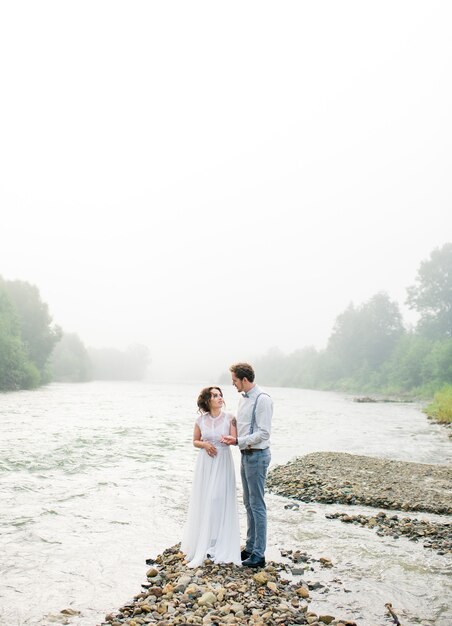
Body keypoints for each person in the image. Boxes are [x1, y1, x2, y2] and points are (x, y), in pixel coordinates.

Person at [181, 386, 241, 568]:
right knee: (205, 498)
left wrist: (227, 441)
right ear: (207, 400)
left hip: (222, 460)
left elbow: (234, 439)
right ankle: (206, 540)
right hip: (206, 463)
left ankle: (220, 541)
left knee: (218, 498)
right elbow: (195, 441)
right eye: (215, 395)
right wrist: (205, 445)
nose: (219, 398)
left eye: (220, 395)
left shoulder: (231, 418)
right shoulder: (200, 420)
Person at [222, 362, 273, 569]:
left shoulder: (263, 400)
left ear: (244, 379)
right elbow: (242, 426)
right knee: (248, 503)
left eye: (234, 380)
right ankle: (250, 547)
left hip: (258, 455)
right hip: (246, 454)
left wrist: (237, 442)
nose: (233, 384)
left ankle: (259, 555)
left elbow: (263, 433)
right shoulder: (243, 400)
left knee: (257, 505)